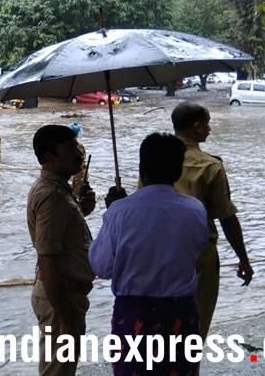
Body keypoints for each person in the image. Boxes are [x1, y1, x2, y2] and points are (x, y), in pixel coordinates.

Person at [90, 133, 208, 375]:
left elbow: (101, 267)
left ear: (142, 169)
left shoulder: (120, 212)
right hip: (181, 313)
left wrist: (113, 210)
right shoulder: (195, 210)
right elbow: (197, 252)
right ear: (178, 172)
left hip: (134, 316)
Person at [169, 102, 253, 338]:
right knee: (196, 322)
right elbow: (227, 217)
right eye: (208, 124)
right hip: (198, 253)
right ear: (197, 127)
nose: (210, 129)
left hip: (159, 249)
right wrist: (243, 259)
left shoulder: (156, 159)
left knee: (162, 322)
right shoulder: (210, 166)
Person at [27, 124, 96, 376]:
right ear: (49, 157)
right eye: (71, 147)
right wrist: (66, 318)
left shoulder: (59, 191)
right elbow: (48, 261)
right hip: (61, 299)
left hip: (64, 297)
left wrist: (81, 210)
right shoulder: (52, 196)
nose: (79, 152)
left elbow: (63, 236)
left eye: (77, 146)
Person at [67, 122, 88, 192]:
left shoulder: (68, 146)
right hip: (80, 172)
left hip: (80, 173)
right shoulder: (79, 146)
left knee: (77, 191)